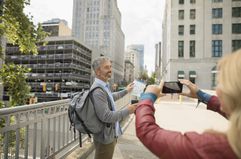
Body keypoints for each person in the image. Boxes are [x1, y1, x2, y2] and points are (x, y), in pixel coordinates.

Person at [135, 50, 241, 159]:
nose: (218, 91)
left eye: (223, 84)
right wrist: (201, 95)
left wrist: (148, 96)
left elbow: (148, 132)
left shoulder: (214, 147)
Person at [91, 57, 136, 159]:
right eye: (106, 67)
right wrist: (128, 110)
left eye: (110, 67)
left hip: (109, 135)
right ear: (98, 72)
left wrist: (126, 90)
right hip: (104, 139)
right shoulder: (98, 91)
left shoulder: (103, 86)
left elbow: (111, 97)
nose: (110, 70)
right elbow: (106, 116)